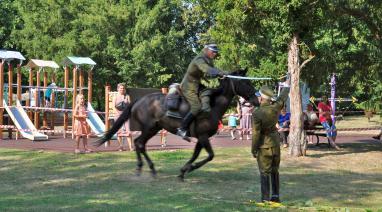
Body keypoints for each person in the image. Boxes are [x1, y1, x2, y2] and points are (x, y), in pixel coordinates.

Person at [176, 43, 225, 141]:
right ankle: (182, 128)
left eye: (216, 52)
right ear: (207, 50)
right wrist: (218, 72)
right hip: (188, 86)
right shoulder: (200, 59)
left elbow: (208, 75)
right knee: (196, 107)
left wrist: (221, 74)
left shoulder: (208, 60)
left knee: (209, 94)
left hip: (197, 85)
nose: (215, 54)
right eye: (213, 51)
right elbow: (206, 69)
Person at [251, 82, 290, 203]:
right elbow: (282, 97)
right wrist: (287, 86)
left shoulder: (257, 112)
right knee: (274, 171)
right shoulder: (275, 107)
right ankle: (276, 196)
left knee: (264, 172)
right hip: (275, 143)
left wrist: (254, 149)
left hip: (264, 145)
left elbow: (256, 133)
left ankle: (265, 198)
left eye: (259, 96)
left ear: (261, 98)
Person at [113, 83, 133, 151]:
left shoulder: (127, 96)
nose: (122, 89)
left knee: (128, 131)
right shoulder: (115, 97)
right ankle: (120, 147)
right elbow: (113, 107)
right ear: (118, 89)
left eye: (123, 88)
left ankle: (130, 147)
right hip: (118, 115)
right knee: (119, 131)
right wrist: (118, 114)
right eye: (121, 88)